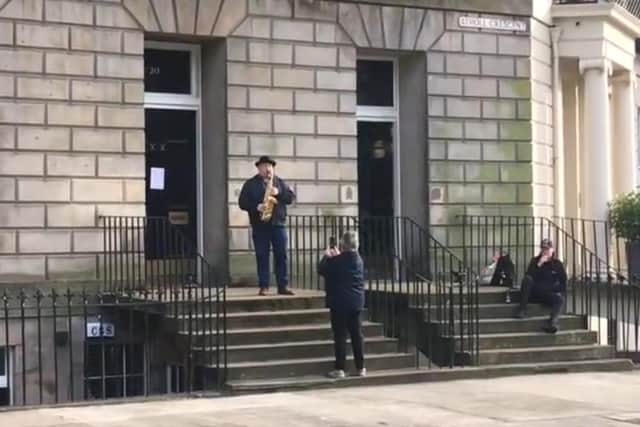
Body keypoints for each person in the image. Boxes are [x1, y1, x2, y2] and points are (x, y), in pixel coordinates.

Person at [238, 155, 295, 296]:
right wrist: (256, 207)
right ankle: (264, 285)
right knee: (262, 256)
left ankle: (283, 285)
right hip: (260, 225)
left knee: (281, 255)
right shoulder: (250, 184)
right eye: (264, 166)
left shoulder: (279, 182)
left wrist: (279, 192)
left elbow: (291, 198)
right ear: (258, 168)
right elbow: (242, 203)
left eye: (269, 166)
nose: (267, 169)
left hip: (278, 224)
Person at [318, 230, 366, 378]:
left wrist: (326, 256)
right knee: (356, 335)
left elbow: (322, 269)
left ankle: (340, 368)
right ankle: (360, 367)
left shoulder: (336, 261)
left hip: (339, 303)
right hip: (356, 302)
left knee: (340, 335)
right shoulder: (358, 260)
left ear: (342, 244)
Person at [514, 239, 567, 334]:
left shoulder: (557, 264)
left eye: (547, 249)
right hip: (534, 292)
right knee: (528, 279)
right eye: (543, 249)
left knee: (559, 300)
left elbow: (563, 284)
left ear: (552, 250)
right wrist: (539, 264)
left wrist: (552, 289)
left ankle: (553, 323)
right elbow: (528, 276)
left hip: (547, 293)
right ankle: (522, 309)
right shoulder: (535, 261)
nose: (545, 251)